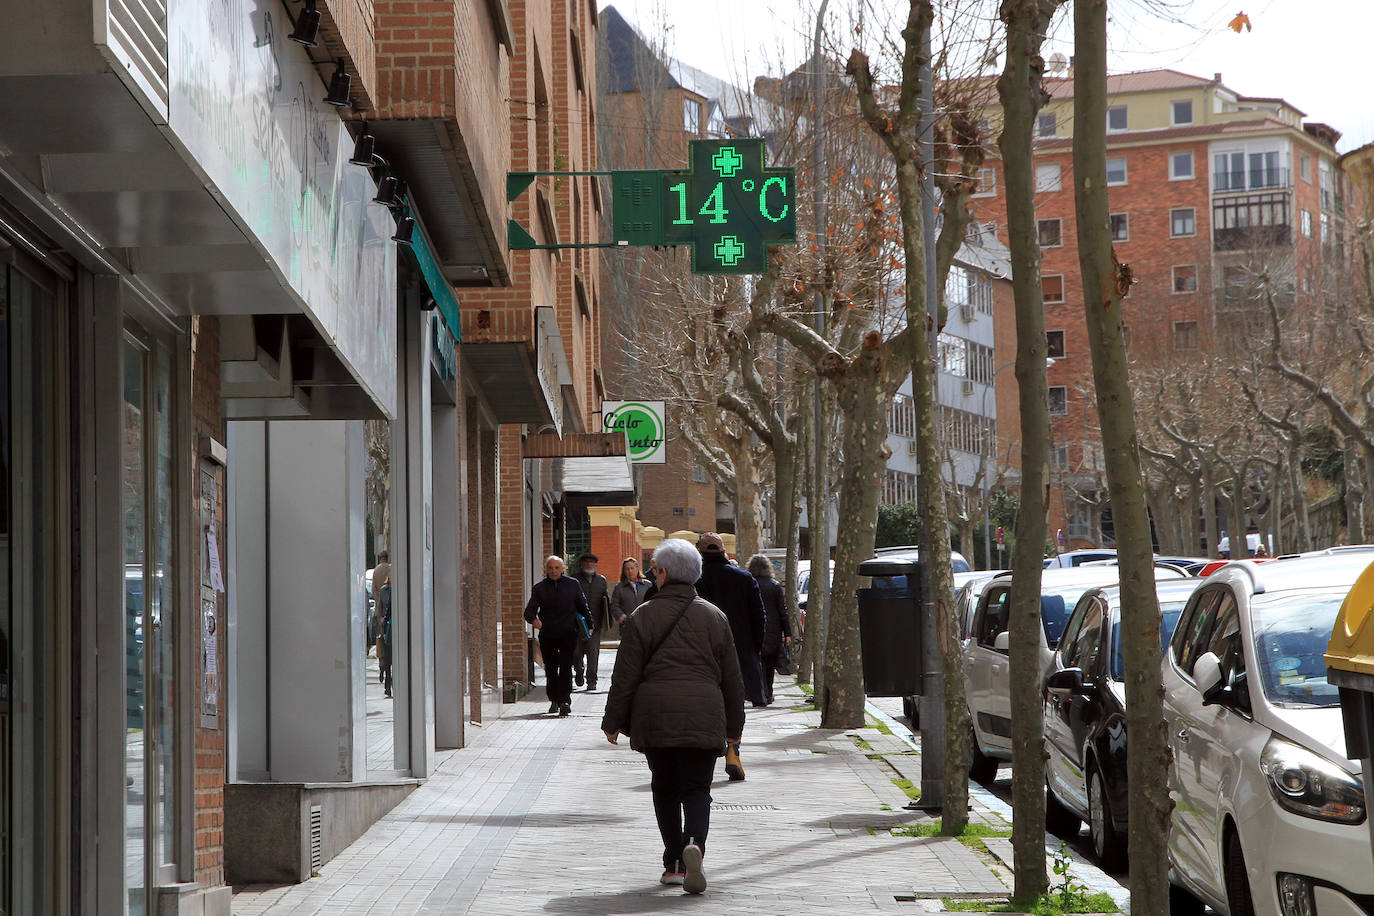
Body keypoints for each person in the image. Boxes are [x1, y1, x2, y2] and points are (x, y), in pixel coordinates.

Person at [601, 538, 745, 895]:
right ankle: (694, 842)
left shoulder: (642, 616)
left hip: (656, 716)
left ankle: (675, 864)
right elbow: (732, 679)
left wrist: (613, 721)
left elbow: (626, 675)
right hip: (705, 713)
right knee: (698, 789)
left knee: (664, 789)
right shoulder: (715, 616)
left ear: (663, 573)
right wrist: (734, 728)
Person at [694, 532, 766, 781]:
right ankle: (733, 749)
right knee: (735, 704)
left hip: (701, 652)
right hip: (739, 651)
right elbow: (759, 618)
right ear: (724, 552)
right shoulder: (744, 578)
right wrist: (754, 650)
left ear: (700, 553)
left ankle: (703, 756)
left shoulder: (693, 579)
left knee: (703, 704)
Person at [523, 555, 592, 716]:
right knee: (552, 668)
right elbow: (529, 611)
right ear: (546, 570)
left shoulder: (572, 585)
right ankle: (554, 699)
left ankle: (565, 701)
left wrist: (590, 625)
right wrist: (534, 620)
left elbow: (583, 606)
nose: (554, 571)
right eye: (550, 568)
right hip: (548, 635)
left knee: (566, 667)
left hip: (568, 633)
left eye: (557, 568)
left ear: (563, 569)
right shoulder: (539, 588)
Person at [747, 554, 793, 705]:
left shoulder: (749, 584)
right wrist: (788, 633)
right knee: (770, 665)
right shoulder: (774, 585)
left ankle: (759, 692)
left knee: (757, 662)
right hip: (773, 630)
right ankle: (769, 693)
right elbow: (782, 611)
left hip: (753, 628)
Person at [572, 553, 610, 691]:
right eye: (586, 562)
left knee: (593, 654)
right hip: (576, 625)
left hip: (595, 625)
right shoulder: (574, 580)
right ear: (581, 564)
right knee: (576, 653)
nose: (589, 564)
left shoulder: (601, 580)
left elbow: (606, 602)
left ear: (596, 565)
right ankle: (579, 671)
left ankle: (592, 681)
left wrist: (607, 622)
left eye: (592, 562)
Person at [610, 557, 653, 630]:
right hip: (627, 625)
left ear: (637, 569)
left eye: (632, 568)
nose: (630, 571)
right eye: (627, 569)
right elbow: (614, 605)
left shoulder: (647, 585)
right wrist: (622, 617)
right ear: (624, 571)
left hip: (646, 624)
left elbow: (653, 602)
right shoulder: (619, 587)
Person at [376, 574, 394, 698]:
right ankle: (390, 684)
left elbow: (382, 611)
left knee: (386, 658)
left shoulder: (383, 590)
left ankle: (387, 684)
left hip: (387, 630)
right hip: (395, 630)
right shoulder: (397, 591)